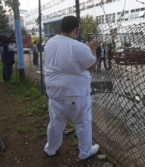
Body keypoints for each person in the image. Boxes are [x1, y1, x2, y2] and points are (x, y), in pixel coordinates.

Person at [43, 15, 99, 160]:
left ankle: (51, 149)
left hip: (54, 92)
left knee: (56, 122)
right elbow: (91, 65)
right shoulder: (77, 46)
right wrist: (92, 49)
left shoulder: (50, 42)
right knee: (82, 122)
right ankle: (85, 152)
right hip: (75, 93)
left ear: (61, 28)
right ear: (76, 29)